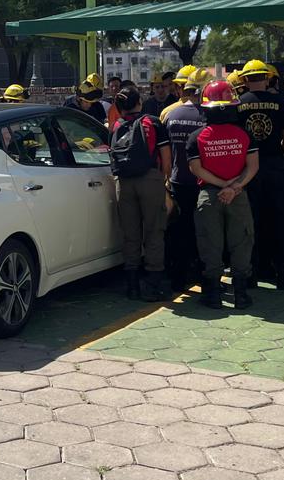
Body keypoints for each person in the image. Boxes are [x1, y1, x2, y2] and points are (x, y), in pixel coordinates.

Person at [187, 80, 259, 310]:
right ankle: (241, 295)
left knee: (211, 244)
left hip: (209, 196)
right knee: (241, 243)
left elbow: (196, 169)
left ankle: (213, 295)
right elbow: (253, 166)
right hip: (238, 195)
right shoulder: (245, 134)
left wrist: (222, 186)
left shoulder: (196, 137)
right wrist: (234, 187)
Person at [110, 86, 173, 301]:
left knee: (130, 234)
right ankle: (153, 286)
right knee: (154, 231)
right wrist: (164, 181)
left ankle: (132, 286)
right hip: (150, 179)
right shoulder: (153, 122)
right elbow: (166, 157)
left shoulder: (117, 125)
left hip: (124, 183)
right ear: (139, 103)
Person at [236, 59, 284, 287]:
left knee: (251, 220)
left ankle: (252, 273)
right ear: (267, 78)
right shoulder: (279, 102)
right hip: (274, 165)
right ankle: (283, 274)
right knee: (279, 219)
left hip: (249, 168)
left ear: (245, 80)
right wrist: (280, 155)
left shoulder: (239, 103)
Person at [162, 67, 211, 291]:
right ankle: (201, 274)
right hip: (202, 182)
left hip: (176, 179)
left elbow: (164, 150)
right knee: (202, 230)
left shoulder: (170, 114)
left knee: (178, 230)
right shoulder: (207, 116)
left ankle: (177, 277)